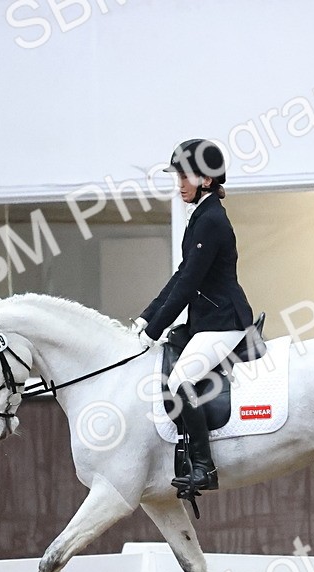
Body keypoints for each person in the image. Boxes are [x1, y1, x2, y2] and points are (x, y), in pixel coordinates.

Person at [130, 139, 254, 494]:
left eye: (186, 175)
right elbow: (182, 274)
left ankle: (204, 466)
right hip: (206, 321)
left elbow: (188, 284)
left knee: (179, 381)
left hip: (224, 322)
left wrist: (154, 330)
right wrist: (146, 317)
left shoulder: (211, 219)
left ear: (207, 179)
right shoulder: (201, 214)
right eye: (179, 175)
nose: (180, 182)